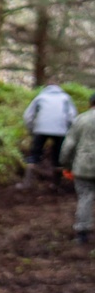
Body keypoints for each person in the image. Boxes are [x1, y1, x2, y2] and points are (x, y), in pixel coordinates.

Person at [22, 82, 77, 186]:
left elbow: (28, 116)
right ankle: (56, 184)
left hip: (41, 129)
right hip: (61, 130)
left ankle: (27, 183)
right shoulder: (65, 97)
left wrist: (32, 130)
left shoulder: (40, 97)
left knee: (34, 155)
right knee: (58, 157)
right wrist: (69, 131)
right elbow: (72, 116)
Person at [59, 91, 95, 245]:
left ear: (90, 103)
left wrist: (66, 164)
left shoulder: (81, 119)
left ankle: (82, 233)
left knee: (85, 197)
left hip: (83, 166)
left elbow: (69, 145)